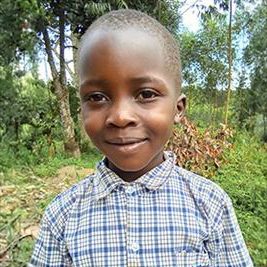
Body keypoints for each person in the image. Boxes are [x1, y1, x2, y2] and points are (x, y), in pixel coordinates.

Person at [29, 9, 253, 266]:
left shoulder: (210, 204)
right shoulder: (63, 215)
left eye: (146, 94)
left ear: (177, 109)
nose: (121, 117)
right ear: (81, 107)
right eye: (97, 97)